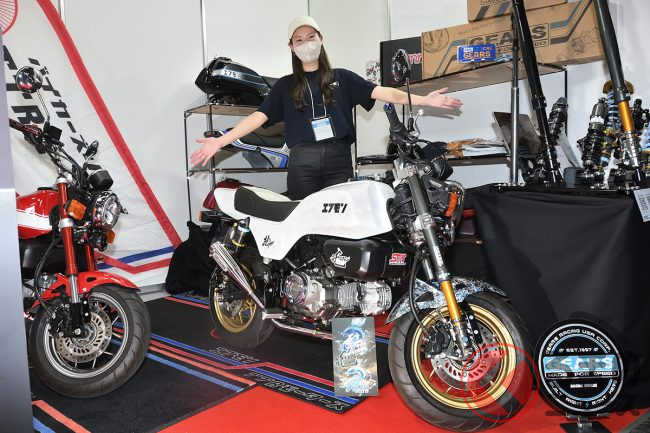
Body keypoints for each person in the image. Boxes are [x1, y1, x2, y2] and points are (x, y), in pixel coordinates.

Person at [191, 16, 462, 199]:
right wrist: (221, 141)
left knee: (340, 223)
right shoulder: (285, 86)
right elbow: (258, 117)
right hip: (302, 162)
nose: (306, 44)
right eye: (299, 40)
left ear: (321, 39)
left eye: (310, 37)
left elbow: (383, 92)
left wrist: (424, 99)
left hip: (339, 159)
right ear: (291, 47)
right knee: (303, 222)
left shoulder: (343, 77)